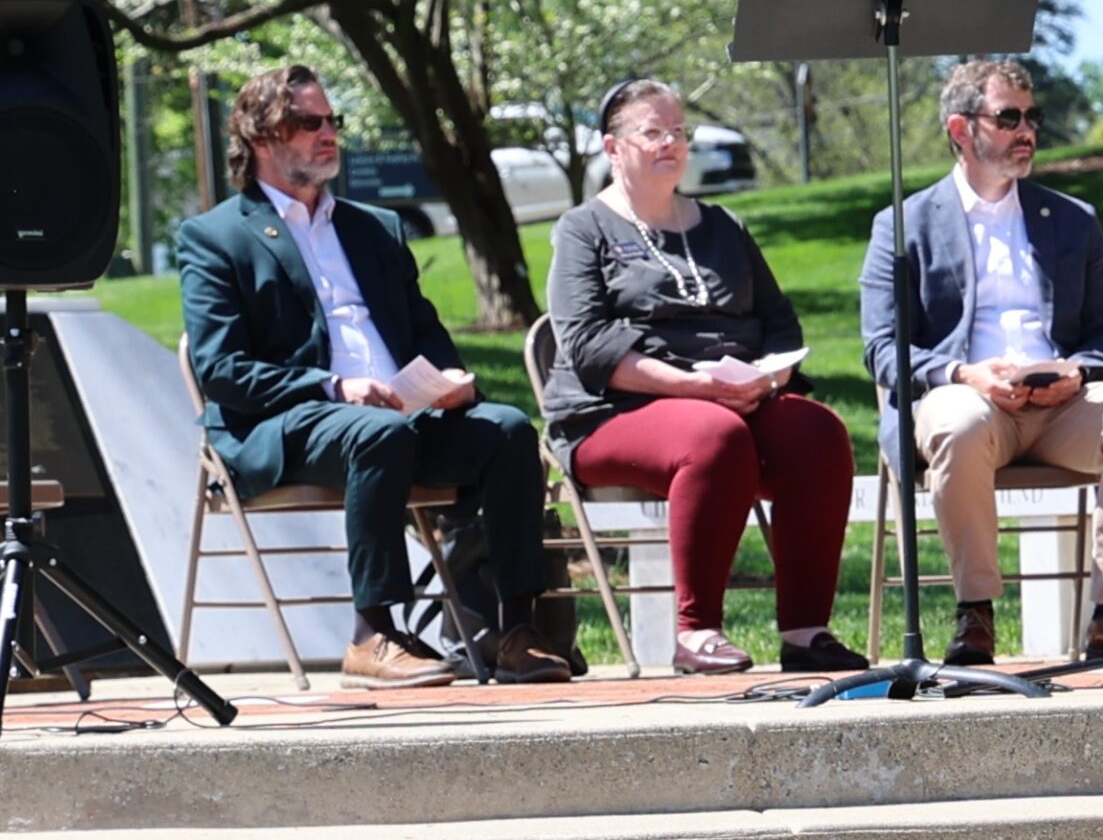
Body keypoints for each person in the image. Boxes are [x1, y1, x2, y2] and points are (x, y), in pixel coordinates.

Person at [178, 63, 572, 689]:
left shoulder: (375, 228)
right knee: (375, 433)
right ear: (260, 139)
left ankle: (513, 628)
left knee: (506, 430)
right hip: (289, 422)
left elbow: (422, 329)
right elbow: (221, 369)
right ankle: (372, 634)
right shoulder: (216, 237)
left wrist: (450, 376)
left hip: (403, 415)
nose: (328, 133)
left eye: (333, 121)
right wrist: (333, 387)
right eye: (309, 123)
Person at [541, 78, 864, 676]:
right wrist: (697, 388)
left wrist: (766, 382)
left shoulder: (724, 227)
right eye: (652, 131)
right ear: (613, 149)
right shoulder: (583, 229)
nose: (671, 143)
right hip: (611, 411)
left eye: (678, 131)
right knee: (712, 435)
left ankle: (805, 630)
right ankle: (698, 633)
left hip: (736, 397)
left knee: (818, 433)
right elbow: (586, 344)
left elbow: (782, 330)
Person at [858, 57, 1103, 666]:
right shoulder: (904, 225)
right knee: (957, 420)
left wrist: (1079, 372)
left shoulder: (1072, 220)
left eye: (1033, 117)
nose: (1025, 130)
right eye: (1008, 117)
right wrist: (962, 374)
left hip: (1062, 405)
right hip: (967, 397)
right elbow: (882, 347)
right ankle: (974, 614)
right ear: (960, 129)